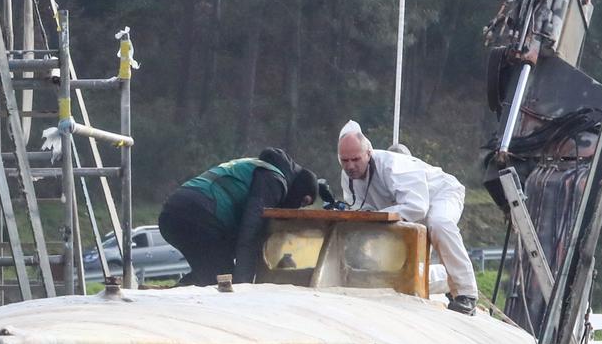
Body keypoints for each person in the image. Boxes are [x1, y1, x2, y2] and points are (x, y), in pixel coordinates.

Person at [335, 120, 478, 314]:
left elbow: (417, 207)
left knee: (439, 223)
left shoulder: (395, 165)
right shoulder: (348, 177)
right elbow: (359, 210)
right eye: (345, 161)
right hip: (402, 209)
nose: (350, 166)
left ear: (368, 153)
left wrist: (377, 216)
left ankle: (466, 293)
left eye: (355, 159)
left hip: (441, 194)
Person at [156, 149, 320, 286]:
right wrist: (244, 288)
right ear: (298, 187)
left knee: (210, 276)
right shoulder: (274, 180)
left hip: (174, 211)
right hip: (197, 215)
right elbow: (250, 231)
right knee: (223, 282)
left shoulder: (258, 166)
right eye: (303, 201)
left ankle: (168, 301)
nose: (299, 206)